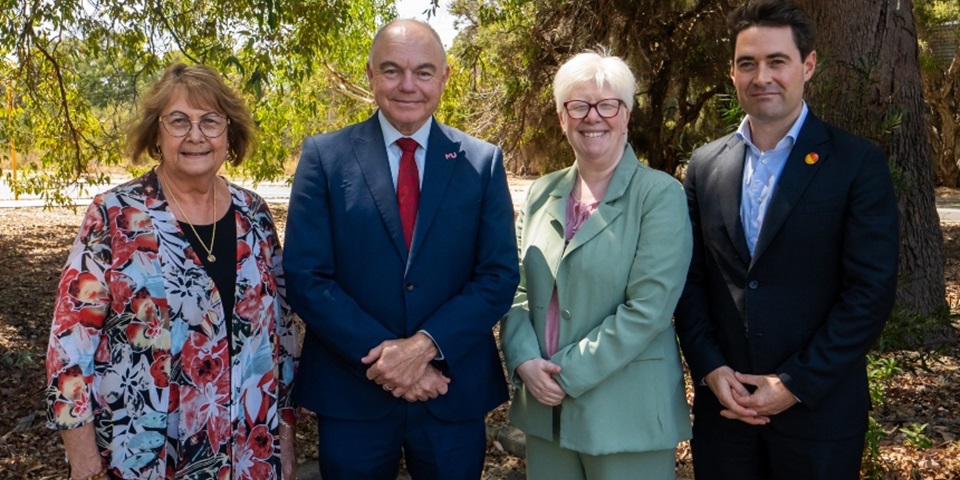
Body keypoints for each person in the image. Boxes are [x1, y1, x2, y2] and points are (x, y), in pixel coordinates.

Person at [283, 19, 520, 480]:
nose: (408, 85)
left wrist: (426, 347)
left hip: (450, 391)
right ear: (370, 75)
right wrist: (392, 360)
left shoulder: (481, 161)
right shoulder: (323, 158)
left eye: (424, 72)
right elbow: (307, 277)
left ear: (445, 77)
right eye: (392, 71)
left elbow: (497, 275)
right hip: (353, 392)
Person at [673, 1, 899, 478]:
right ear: (732, 72)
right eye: (747, 63)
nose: (762, 76)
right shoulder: (705, 166)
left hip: (819, 415)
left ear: (808, 65)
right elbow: (690, 283)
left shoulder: (856, 164)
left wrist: (793, 383)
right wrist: (711, 370)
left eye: (777, 61)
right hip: (726, 414)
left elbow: (870, 293)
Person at [44, 63, 299, 479]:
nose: (195, 135)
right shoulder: (115, 216)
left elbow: (282, 337)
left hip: (248, 452)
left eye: (210, 121)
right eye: (179, 121)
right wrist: (85, 462)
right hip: (144, 456)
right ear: (157, 134)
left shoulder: (254, 216)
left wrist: (284, 446)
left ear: (228, 133)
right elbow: (69, 345)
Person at [499, 51, 693, 480]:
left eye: (608, 105)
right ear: (561, 115)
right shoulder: (540, 194)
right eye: (578, 105)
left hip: (625, 414)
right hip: (545, 413)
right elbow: (515, 290)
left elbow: (649, 308)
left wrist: (565, 374)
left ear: (626, 114)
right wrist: (524, 359)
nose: (594, 117)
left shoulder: (659, 196)